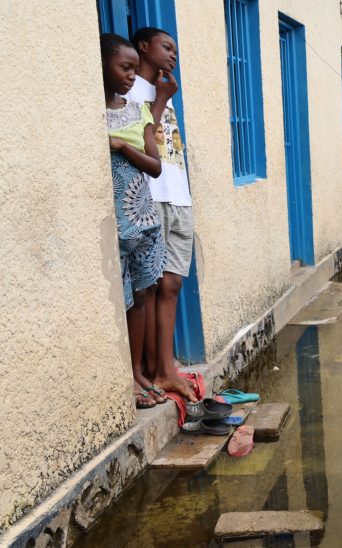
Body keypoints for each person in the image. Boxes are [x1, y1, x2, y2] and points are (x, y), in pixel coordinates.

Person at [128, 27, 199, 402]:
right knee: (150, 285)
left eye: (175, 48)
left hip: (177, 196)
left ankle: (166, 367)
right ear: (144, 47)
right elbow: (144, 138)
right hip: (151, 196)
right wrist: (161, 98)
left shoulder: (164, 92)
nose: (173, 54)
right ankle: (158, 368)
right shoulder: (132, 88)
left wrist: (165, 96)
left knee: (172, 283)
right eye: (166, 47)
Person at [101, 33, 166, 408]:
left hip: (144, 221)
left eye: (132, 68)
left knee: (142, 295)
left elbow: (156, 166)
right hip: (116, 228)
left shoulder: (138, 111)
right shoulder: (90, 113)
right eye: (124, 68)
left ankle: (140, 371)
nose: (131, 75)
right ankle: (127, 376)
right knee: (123, 299)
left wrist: (124, 146)